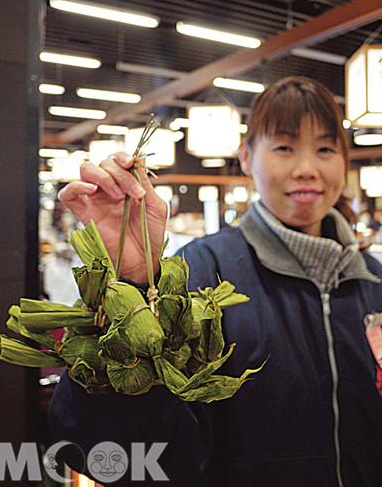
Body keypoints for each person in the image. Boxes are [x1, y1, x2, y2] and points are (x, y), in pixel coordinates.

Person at [48, 76, 382, 487]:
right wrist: (129, 287)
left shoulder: (373, 282)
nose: (307, 169)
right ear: (246, 157)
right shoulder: (200, 275)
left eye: (326, 149)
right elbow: (113, 453)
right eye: (283, 147)